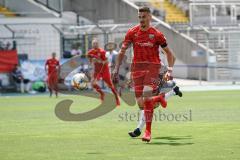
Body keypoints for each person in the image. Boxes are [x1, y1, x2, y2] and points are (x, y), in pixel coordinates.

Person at [113, 7, 180, 142]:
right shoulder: (132, 32)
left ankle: (147, 132)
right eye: (140, 17)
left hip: (153, 68)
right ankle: (164, 96)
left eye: (144, 17)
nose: (141, 19)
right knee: (142, 104)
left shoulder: (157, 34)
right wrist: (116, 68)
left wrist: (169, 71)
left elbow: (170, 54)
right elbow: (122, 52)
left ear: (150, 17)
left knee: (147, 97)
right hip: (137, 69)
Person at [87, 38, 120, 106]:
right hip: (97, 71)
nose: (95, 45)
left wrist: (99, 61)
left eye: (96, 43)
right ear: (92, 44)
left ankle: (117, 98)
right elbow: (90, 61)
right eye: (93, 43)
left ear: (98, 44)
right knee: (93, 83)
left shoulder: (102, 51)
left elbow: (106, 62)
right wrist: (92, 61)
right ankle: (102, 93)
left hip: (104, 70)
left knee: (110, 85)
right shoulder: (90, 52)